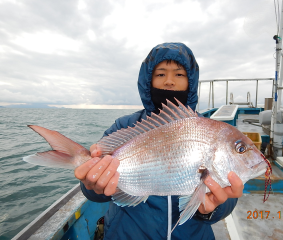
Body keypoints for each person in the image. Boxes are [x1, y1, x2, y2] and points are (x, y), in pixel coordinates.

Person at [74, 42, 244, 240]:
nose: (169, 81)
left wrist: (212, 208)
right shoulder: (125, 126)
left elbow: (227, 198)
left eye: (179, 74)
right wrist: (92, 183)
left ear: (191, 82)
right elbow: (95, 194)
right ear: (148, 81)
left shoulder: (207, 130)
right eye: (161, 74)